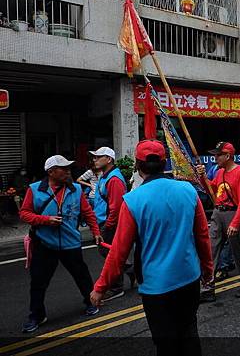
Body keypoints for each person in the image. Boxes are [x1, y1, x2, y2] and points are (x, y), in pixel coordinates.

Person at [91, 140, 213, 356]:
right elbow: (202, 236)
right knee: (189, 333)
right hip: (189, 278)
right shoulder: (187, 190)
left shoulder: (133, 200)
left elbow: (119, 251)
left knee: (166, 343)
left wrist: (101, 287)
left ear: (138, 166)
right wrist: (207, 270)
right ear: (164, 162)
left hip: (156, 286)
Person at [20, 155, 103, 333]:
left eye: (68, 168)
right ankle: (36, 315)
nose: (68, 171)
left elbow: (87, 213)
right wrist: (45, 220)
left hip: (70, 242)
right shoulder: (35, 190)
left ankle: (90, 302)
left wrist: (96, 232)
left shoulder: (76, 190)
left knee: (82, 276)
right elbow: (24, 214)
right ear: (50, 172)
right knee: (38, 282)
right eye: (63, 168)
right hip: (44, 244)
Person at [197, 142, 240, 300]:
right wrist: (202, 176)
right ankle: (208, 288)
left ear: (228, 156)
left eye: (218, 155)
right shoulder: (219, 172)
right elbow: (211, 189)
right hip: (217, 213)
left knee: (237, 252)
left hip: (232, 214)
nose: (215, 157)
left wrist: (235, 223)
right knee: (211, 250)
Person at [90, 146, 128, 301]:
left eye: (98, 157)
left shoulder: (114, 179)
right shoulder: (104, 176)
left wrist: (106, 227)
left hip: (109, 223)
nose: (95, 159)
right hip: (102, 221)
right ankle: (130, 270)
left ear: (109, 159)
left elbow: (116, 208)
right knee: (108, 253)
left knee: (110, 255)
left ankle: (116, 287)